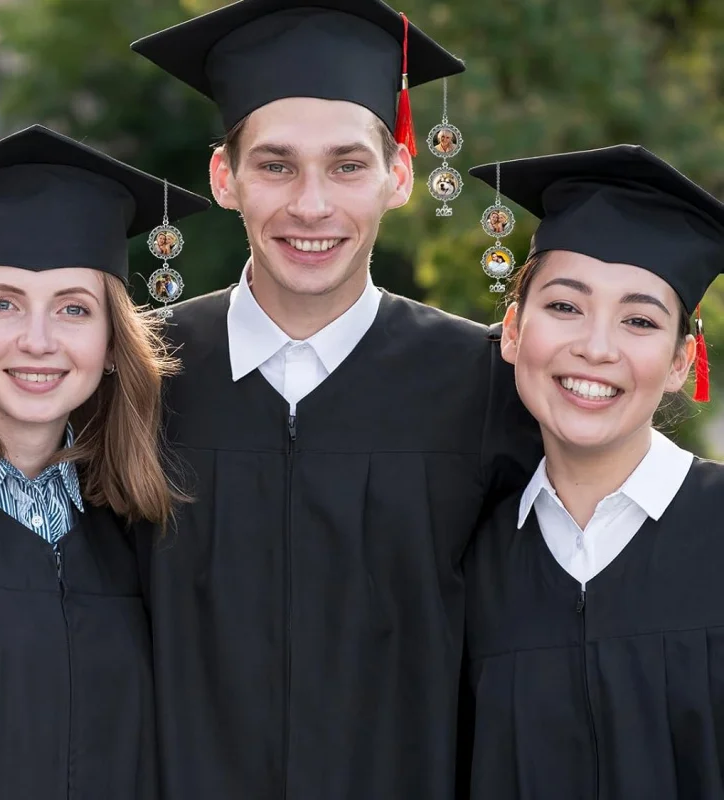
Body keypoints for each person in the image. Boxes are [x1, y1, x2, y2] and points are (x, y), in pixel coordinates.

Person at [131, 1, 541, 798]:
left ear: (397, 176)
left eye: (347, 166)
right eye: (276, 165)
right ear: (225, 177)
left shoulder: (487, 384)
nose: (311, 206)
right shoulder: (139, 376)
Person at [0, 124, 208, 799]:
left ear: (112, 343)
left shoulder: (133, 541)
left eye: (74, 309)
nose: (38, 340)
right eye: (3, 304)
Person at [461, 144, 724, 799]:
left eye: (639, 320)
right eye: (564, 307)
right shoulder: (466, 563)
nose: (596, 347)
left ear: (679, 363)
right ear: (514, 331)